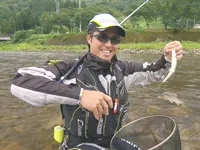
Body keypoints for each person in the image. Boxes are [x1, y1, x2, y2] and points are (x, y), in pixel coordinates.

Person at [10, 13, 183, 150]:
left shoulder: (122, 69)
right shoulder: (68, 69)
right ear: (89, 38)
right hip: (78, 145)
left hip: (114, 140)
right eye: (102, 37)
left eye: (115, 39)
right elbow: (21, 82)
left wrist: (167, 58)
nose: (109, 44)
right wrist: (80, 95)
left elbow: (155, 71)